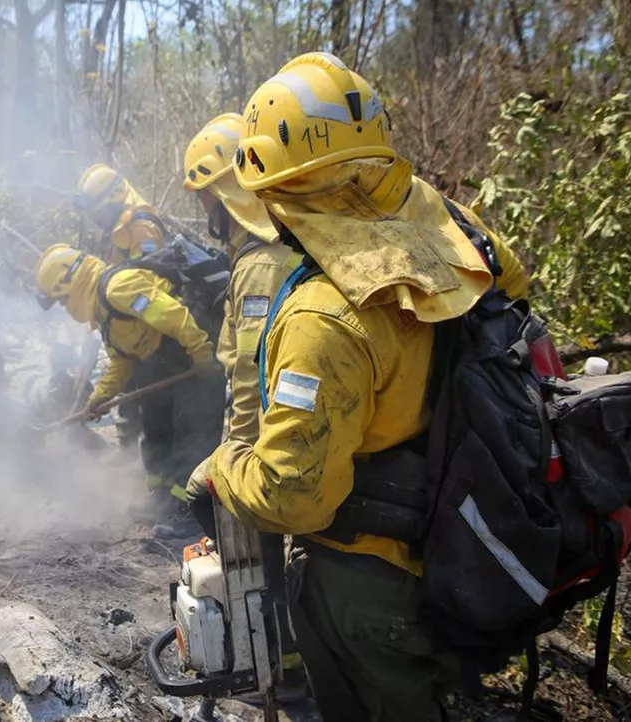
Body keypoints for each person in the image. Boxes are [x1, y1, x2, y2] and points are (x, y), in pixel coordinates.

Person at [186, 52, 529, 722]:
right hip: (476, 546)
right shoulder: (464, 233)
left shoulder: (325, 316)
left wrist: (226, 467)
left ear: (270, 190)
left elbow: (293, 498)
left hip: (372, 588)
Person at [182, 112, 309, 702]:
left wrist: (228, 470)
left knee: (203, 495)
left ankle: (278, 649)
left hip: (287, 445)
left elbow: (249, 383)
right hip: (316, 434)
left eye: (206, 196)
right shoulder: (289, 242)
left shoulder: (259, 263)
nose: (205, 211)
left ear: (225, 193)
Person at [35, 244, 225, 507]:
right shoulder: (102, 310)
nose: (66, 306)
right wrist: (100, 397)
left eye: (63, 299)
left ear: (73, 283)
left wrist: (202, 354)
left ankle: (190, 511)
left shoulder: (118, 287)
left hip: (193, 356)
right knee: (157, 433)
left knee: (190, 437)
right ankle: (161, 501)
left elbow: (174, 316)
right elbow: (121, 361)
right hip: (165, 362)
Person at [74, 164, 167, 265]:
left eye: (98, 212)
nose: (94, 219)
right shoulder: (119, 230)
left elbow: (144, 276)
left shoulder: (141, 231)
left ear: (114, 199)